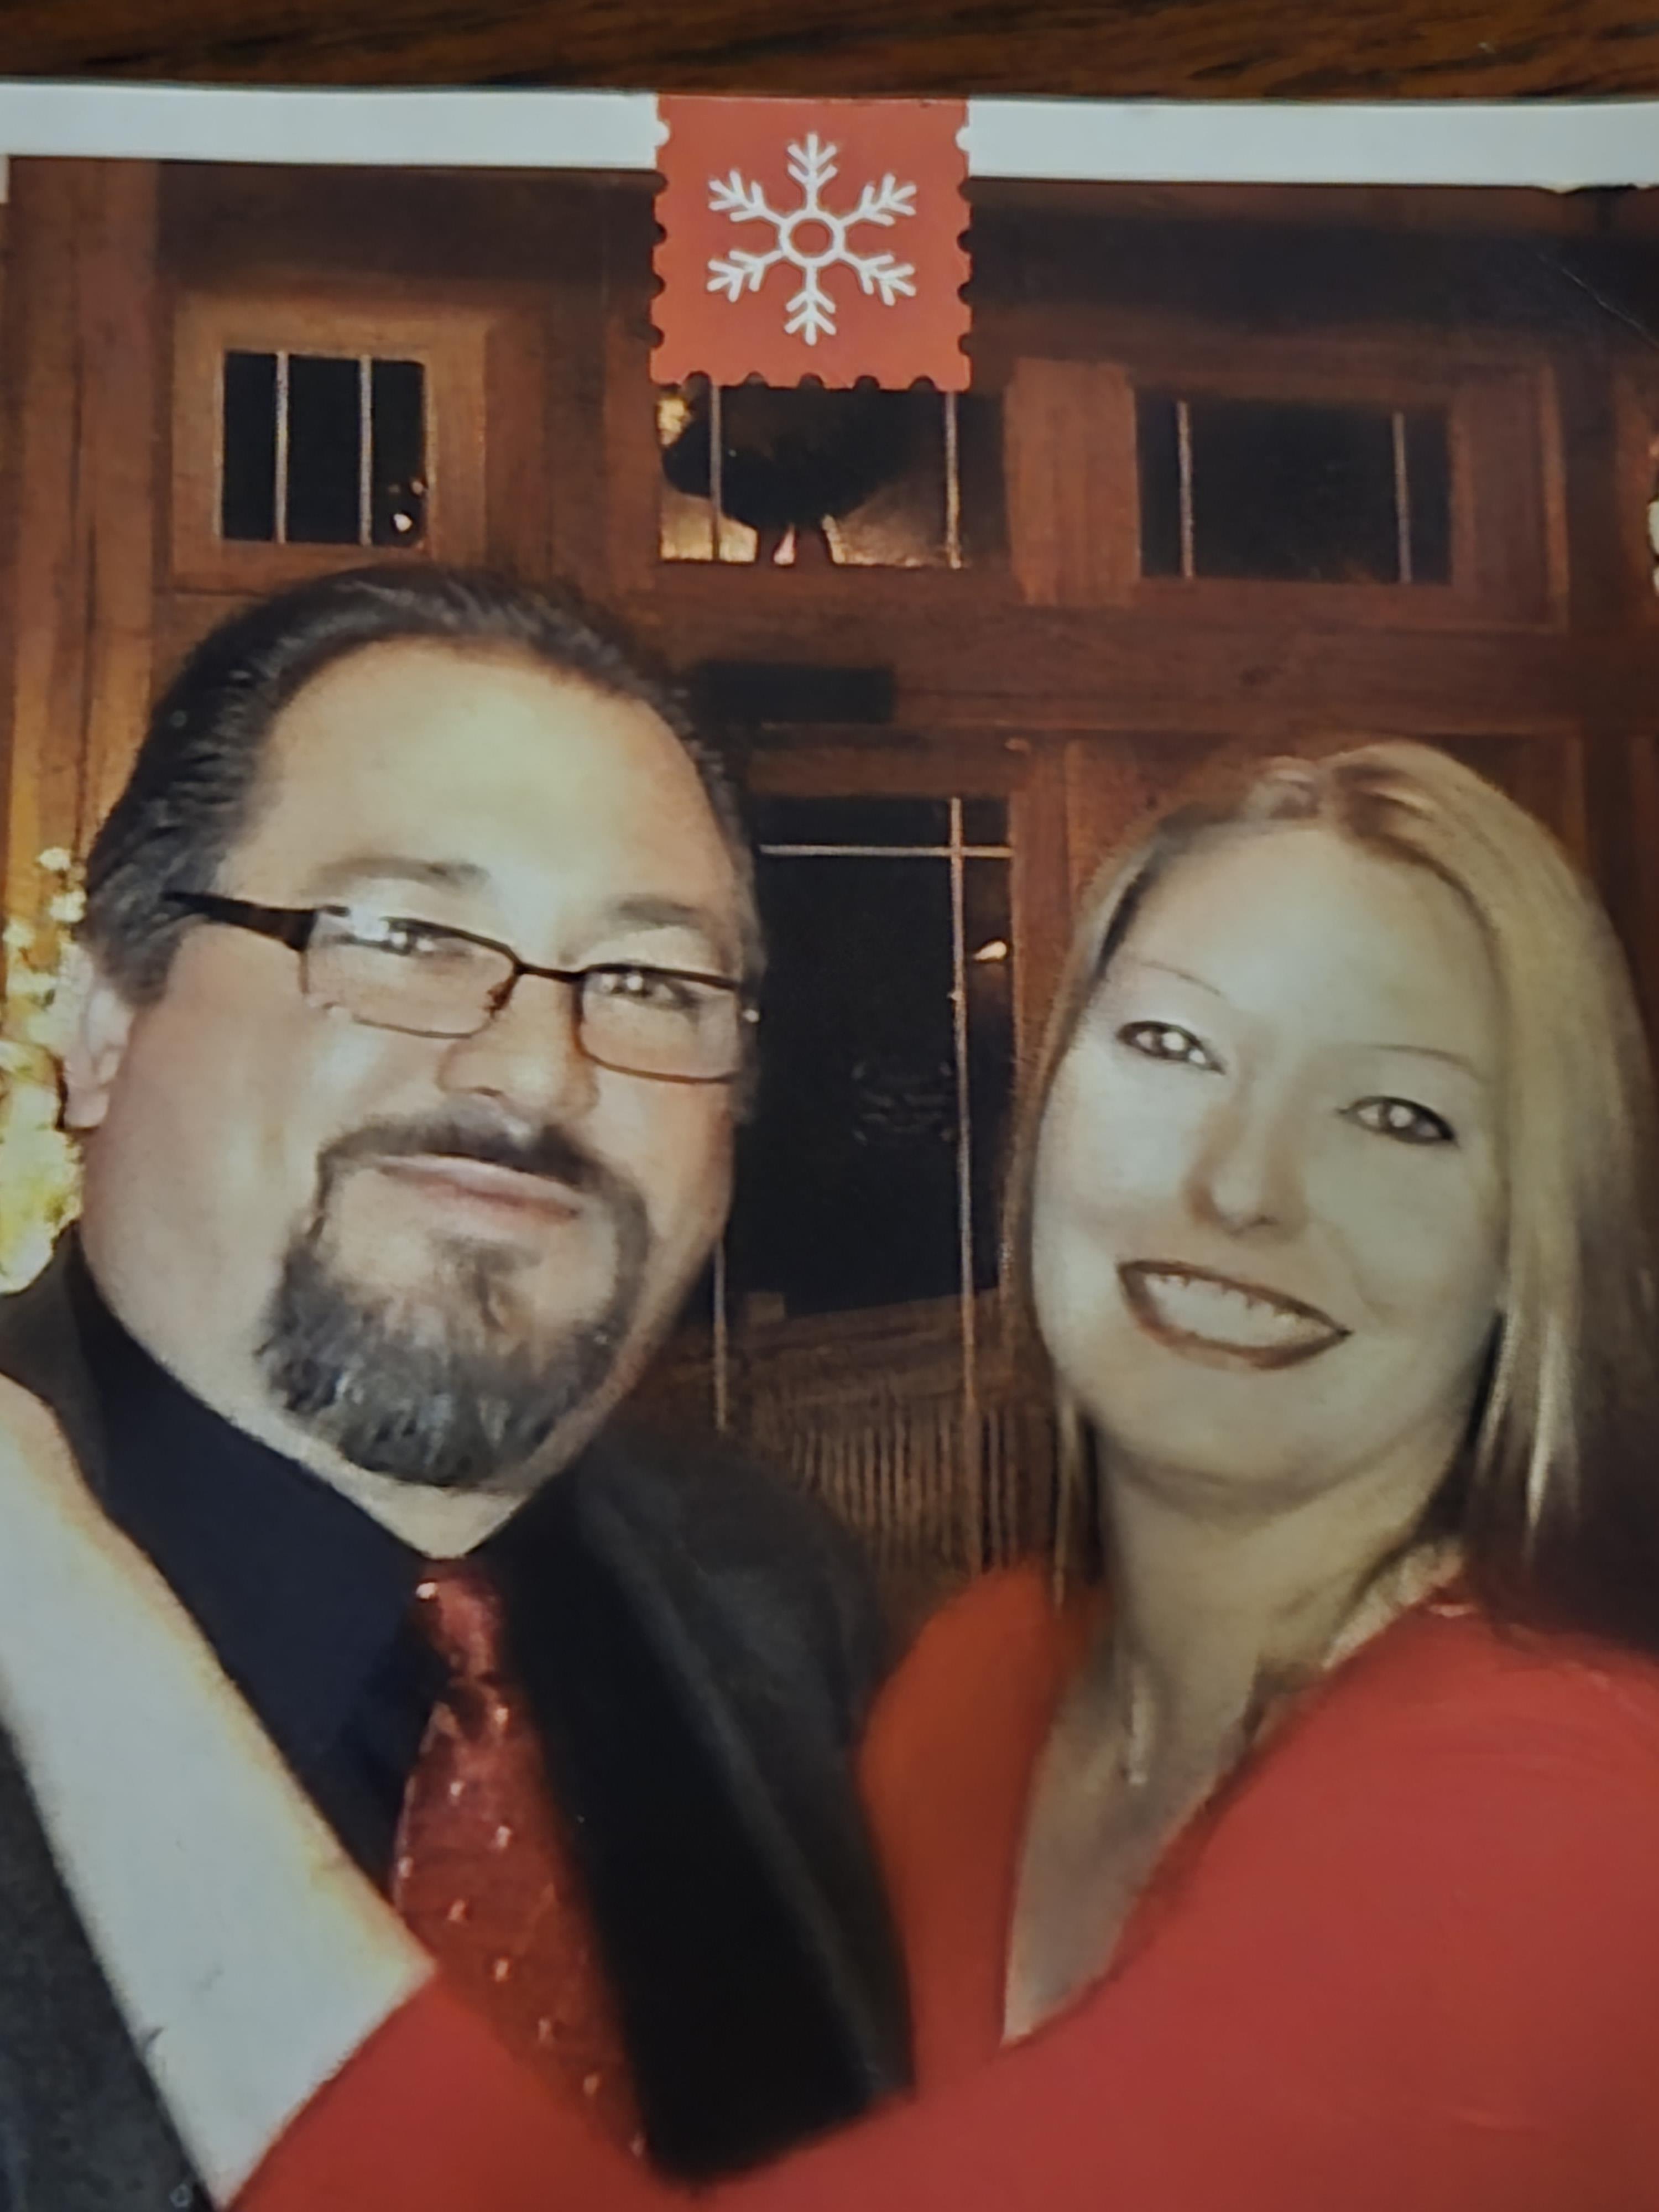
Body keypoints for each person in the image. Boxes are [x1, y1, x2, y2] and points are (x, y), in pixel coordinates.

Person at [2, 737, 1659, 2211]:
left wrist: (60, 1598)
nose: (1239, 1188)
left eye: (1403, 1119)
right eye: (1171, 1044)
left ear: (1536, 1246)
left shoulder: (1579, 1829)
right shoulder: (955, 1684)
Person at [0, 565, 909, 2211]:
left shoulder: (792, 1613)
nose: (533, 1069)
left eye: (648, 983)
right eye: (402, 936)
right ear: (101, 1016)